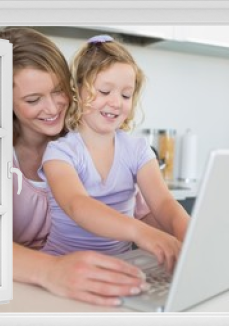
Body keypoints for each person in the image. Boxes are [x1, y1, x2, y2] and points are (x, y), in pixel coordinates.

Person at [0, 27, 162, 307]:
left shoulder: (86, 137)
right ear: (5, 102)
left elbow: (144, 215)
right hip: (13, 288)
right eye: (33, 100)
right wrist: (50, 270)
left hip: (82, 285)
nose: (52, 108)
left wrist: (183, 239)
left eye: (59, 91)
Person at [41, 35, 190, 272]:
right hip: (63, 268)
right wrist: (140, 231)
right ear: (77, 91)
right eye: (104, 91)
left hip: (119, 267)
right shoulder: (60, 153)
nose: (116, 102)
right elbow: (77, 205)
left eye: (125, 95)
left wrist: (191, 237)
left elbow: (163, 203)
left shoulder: (138, 150)